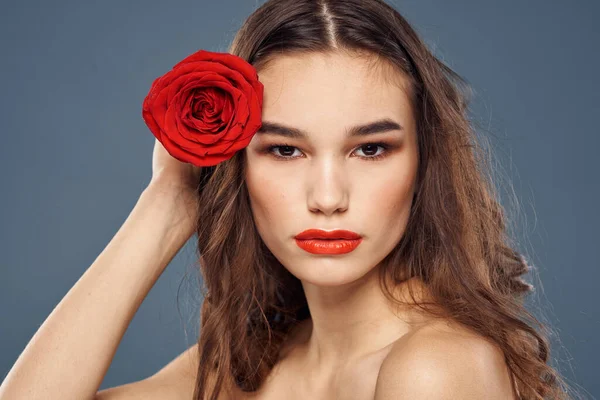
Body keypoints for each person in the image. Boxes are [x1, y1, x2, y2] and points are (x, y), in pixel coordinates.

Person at [0, 0, 576, 399]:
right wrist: (169, 201)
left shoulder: (435, 368)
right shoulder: (251, 362)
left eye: (371, 149)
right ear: (237, 167)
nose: (328, 197)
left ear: (425, 163)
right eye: (285, 151)